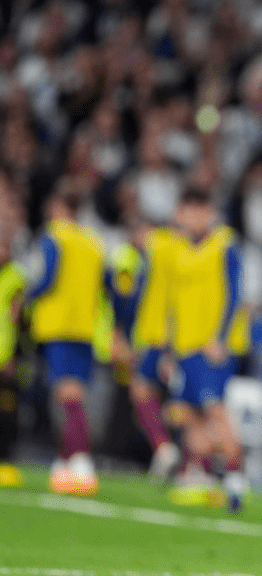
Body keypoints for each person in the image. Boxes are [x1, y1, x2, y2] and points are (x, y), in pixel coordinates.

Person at [167, 189, 247, 511]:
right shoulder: (183, 249)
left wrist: (221, 338)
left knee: (215, 411)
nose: (184, 219)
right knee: (191, 415)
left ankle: (236, 482)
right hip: (186, 346)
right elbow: (177, 303)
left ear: (204, 211)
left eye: (189, 212)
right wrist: (171, 350)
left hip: (212, 347)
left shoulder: (225, 244)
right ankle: (199, 475)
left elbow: (235, 292)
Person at [27, 193, 106, 496]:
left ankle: (82, 459)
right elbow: (106, 285)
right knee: (73, 396)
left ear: (61, 208)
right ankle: (63, 461)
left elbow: (45, 278)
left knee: (67, 397)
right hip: (86, 327)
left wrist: (25, 297)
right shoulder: (94, 242)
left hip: (59, 325)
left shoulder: (54, 238)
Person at [106, 217, 183, 481]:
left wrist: (122, 336)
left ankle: (167, 450)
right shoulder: (173, 256)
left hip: (154, 337)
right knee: (153, 399)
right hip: (165, 338)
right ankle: (169, 453)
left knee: (143, 393)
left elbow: (125, 300)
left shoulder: (148, 257)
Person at [0, 228, 25, 487]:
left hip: (6, 356)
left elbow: (20, 320)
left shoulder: (16, 277)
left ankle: (5, 460)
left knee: (7, 412)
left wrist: (16, 355)